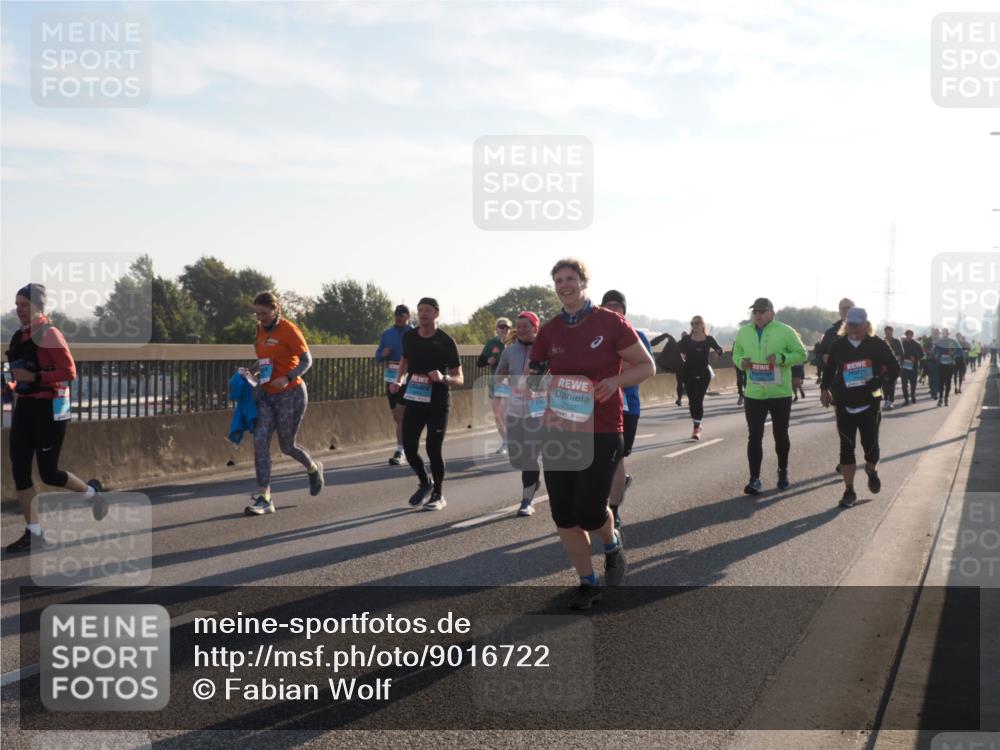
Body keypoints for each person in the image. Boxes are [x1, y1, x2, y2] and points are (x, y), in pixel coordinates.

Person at [529, 259, 655, 609]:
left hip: (602, 427)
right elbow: (535, 374)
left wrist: (615, 381)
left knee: (588, 510)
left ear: (584, 282)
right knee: (563, 515)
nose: (564, 285)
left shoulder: (610, 323)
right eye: (558, 280)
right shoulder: (550, 330)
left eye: (570, 279)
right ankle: (588, 582)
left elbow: (647, 366)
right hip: (560, 429)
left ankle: (612, 544)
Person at [5, 283, 107, 555]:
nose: (20, 310)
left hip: (50, 409)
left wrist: (37, 377)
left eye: (24, 305)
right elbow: (16, 372)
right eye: (17, 305)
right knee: (20, 471)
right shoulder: (19, 337)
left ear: (39, 306)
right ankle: (34, 534)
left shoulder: (50, 334)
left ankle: (92, 493)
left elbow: (69, 371)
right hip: (25, 406)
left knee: (49, 472)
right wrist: (10, 382)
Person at [246, 292, 323, 516]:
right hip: (267, 395)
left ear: (276, 309)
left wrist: (288, 377)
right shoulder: (260, 329)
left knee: (287, 446)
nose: (261, 318)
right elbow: (266, 359)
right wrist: (251, 370)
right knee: (260, 441)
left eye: (265, 313)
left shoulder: (289, 329)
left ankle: (313, 468)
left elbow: (307, 360)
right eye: (257, 314)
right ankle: (264, 497)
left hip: (291, 393)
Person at [820, 307, 899, 508]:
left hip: (869, 403)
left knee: (871, 448)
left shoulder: (877, 345)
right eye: (850, 324)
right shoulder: (839, 346)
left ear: (866, 325)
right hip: (845, 403)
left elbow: (894, 368)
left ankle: (871, 471)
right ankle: (849, 490)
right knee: (846, 448)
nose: (853, 328)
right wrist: (824, 390)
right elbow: (829, 370)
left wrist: (879, 381)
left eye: (857, 324)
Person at [390, 297, 463, 511]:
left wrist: (444, 378)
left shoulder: (446, 341)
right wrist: (399, 379)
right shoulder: (410, 337)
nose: (423, 313)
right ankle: (425, 482)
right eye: (420, 310)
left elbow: (460, 378)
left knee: (433, 449)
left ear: (436, 314)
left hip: (438, 402)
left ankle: (438, 494)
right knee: (410, 447)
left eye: (428, 310)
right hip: (415, 398)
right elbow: (404, 359)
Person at [731, 297, 807, 495]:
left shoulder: (785, 331)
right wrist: (741, 362)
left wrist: (782, 359)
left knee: (780, 435)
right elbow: (735, 353)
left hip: (779, 393)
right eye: (755, 311)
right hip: (754, 393)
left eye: (762, 311)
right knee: (754, 436)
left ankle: (782, 470)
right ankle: (754, 479)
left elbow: (802, 353)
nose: (758, 314)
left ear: (772, 313)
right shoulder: (744, 332)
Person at [599, 290, 653, 535]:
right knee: (598, 461)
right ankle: (606, 499)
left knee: (617, 460)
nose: (612, 309)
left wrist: (615, 365)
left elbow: (644, 366)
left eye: (617, 305)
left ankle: (614, 509)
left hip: (627, 406)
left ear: (624, 310)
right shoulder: (594, 335)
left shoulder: (637, 335)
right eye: (607, 305)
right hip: (596, 404)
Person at [495, 311, 544, 516]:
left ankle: (526, 500)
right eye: (520, 326)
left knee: (531, 454)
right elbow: (498, 375)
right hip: (515, 408)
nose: (523, 329)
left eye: (527, 325)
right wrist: (503, 379)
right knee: (518, 455)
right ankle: (533, 480)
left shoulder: (544, 350)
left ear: (535, 328)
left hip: (537, 409)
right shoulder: (509, 351)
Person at [375, 304, 414, 465]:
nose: (398, 317)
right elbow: (377, 356)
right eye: (396, 314)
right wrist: (382, 354)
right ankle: (406, 441)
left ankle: (400, 450)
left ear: (408, 317)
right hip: (391, 377)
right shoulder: (387, 334)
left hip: (407, 377)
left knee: (401, 413)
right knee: (397, 416)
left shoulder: (413, 333)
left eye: (402, 315)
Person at [678, 316, 723, 440]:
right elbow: (676, 350)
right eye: (692, 323)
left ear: (703, 325)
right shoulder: (686, 339)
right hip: (688, 373)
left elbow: (720, 349)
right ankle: (697, 423)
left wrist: (716, 353)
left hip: (703, 373)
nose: (695, 326)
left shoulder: (708, 339)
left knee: (698, 400)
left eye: (697, 323)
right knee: (692, 402)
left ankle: (696, 428)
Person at [477, 318, 513, 454]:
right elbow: (479, 363)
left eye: (506, 327)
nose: (504, 329)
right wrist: (488, 360)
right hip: (496, 382)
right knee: (498, 414)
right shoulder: (492, 344)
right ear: (496, 328)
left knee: (507, 413)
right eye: (501, 327)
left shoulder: (515, 343)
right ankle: (506, 441)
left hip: (512, 383)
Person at [816, 298, 856, 367]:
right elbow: (819, 353)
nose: (846, 311)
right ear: (839, 312)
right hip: (836, 374)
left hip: (859, 375)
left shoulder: (865, 330)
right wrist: (823, 357)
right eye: (842, 308)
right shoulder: (830, 332)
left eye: (848, 308)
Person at [933, 328, 962, 407]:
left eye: (946, 332)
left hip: (950, 365)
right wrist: (937, 355)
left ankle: (946, 399)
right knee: (941, 382)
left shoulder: (953, 341)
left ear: (948, 333)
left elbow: (960, 351)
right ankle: (940, 399)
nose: (944, 334)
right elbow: (934, 351)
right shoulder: (939, 342)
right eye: (943, 332)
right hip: (941, 364)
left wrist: (953, 353)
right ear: (942, 333)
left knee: (948, 382)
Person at [882, 326, 904, 410]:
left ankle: (890, 401)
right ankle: (886, 399)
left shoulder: (897, 342)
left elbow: (902, 353)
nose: (888, 334)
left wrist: (897, 356)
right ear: (885, 332)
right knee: (884, 384)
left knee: (891, 384)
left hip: (894, 367)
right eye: (887, 332)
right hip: (884, 367)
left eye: (890, 332)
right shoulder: (882, 342)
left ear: (892, 332)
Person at [900, 329, 923, 405]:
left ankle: (913, 395)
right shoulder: (902, 344)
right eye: (908, 335)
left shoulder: (916, 344)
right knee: (904, 384)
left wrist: (915, 357)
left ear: (913, 335)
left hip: (914, 367)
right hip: (904, 367)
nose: (909, 336)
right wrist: (902, 359)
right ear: (906, 335)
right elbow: (899, 354)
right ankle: (906, 399)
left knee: (913, 383)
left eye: (911, 335)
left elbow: (922, 355)